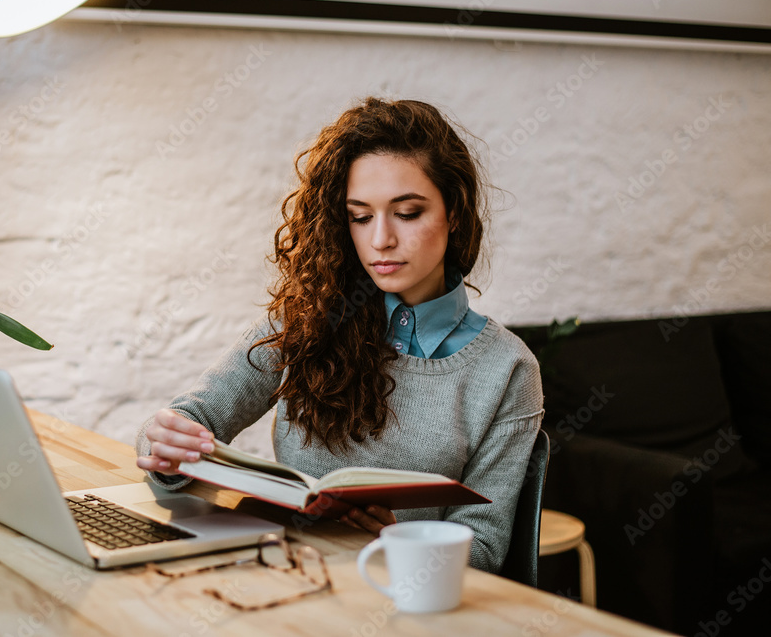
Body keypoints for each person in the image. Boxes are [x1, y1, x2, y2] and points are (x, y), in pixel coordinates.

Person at [135, 97, 544, 573]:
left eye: (407, 213)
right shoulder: (306, 320)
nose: (381, 240)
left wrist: (399, 539)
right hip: (279, 580)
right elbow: (186, 419)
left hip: (398, 604)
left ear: (454, 213)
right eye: (360, 216)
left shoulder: (508, 369)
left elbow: (487, 552)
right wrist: (164, 445)